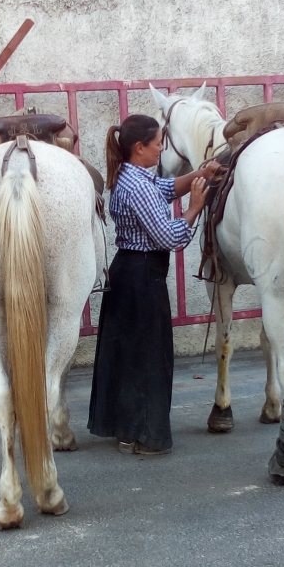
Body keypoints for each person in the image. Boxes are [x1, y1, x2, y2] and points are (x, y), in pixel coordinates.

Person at [87, 114, 221, 454]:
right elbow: (168, 237)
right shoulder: (138, 186)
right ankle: (148, 436)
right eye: (158, 143)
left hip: (129, 273)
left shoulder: (130, 177)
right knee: (149, 358)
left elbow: (167, 188)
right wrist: (194, 208)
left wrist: (201, 174)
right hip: (143, 277)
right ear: (139, 147)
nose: (162, 148)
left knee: (128, 356)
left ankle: (127, 429)